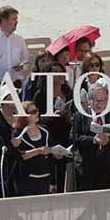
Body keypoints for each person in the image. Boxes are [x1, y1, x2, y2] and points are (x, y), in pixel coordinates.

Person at [72, 82, 110, 191]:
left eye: (103, 100)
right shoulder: (80, 116)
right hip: (86, 169)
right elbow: (73, 138)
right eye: (96, 100)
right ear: (89, 101)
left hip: (107, 168)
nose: (100, 104)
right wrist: (93, 140)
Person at [33, 62, 73, 192]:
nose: (60, 75)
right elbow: (34, 118)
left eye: (61, 71)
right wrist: (51, 116)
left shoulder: (68, 92)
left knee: (63, 171)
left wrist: (69, 115)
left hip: (65, 135)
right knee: (50, 175)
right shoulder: (40, 94)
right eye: (56, 72)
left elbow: (75, 114)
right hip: (49, 137)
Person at [12, 102, 53, 196]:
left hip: (45, 176)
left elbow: (50, 148)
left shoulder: (45, 130)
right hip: (26, 179)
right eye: (33, 112)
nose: (37, 113)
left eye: (37, 110)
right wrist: (38, 151)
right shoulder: (18, 133)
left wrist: (55, 153)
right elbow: (19, 155)